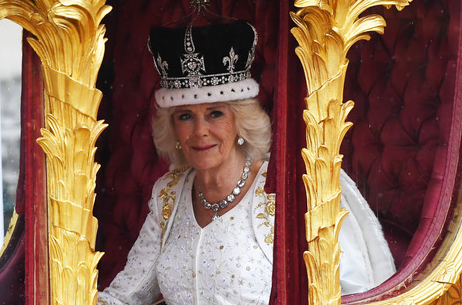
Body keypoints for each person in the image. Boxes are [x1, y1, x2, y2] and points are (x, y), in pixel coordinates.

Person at [98, 21, 395, 305]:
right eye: (185, 116)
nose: (200, 131)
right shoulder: (169, 194)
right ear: (173, 128)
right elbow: (125, 295)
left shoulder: (288, 187)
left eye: (215, 113)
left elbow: (354, 294)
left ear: (241, 121)